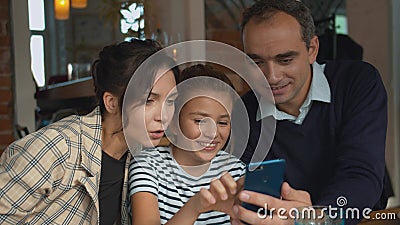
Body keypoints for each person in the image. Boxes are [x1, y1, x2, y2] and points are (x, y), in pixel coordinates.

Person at [231, 0, 388, 224]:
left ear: (312, 49)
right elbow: (251, 192)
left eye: (285, 60)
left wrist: (318, 218)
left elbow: (361, 175)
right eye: (256, 62)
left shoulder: (357, 82)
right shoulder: (241, 114)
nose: (271, 77)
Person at [0, 39, 179, 224]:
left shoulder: (140, 159)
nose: (164, 115)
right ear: (111, 102)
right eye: (149, 100)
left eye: (171, 101)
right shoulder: (57, 147)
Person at [129, 64, 246, 225]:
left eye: (223, 122)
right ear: (173, 123)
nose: (212, 133)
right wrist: (195, 206)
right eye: (199, 121)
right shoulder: (148, 165)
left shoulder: (235, 170)